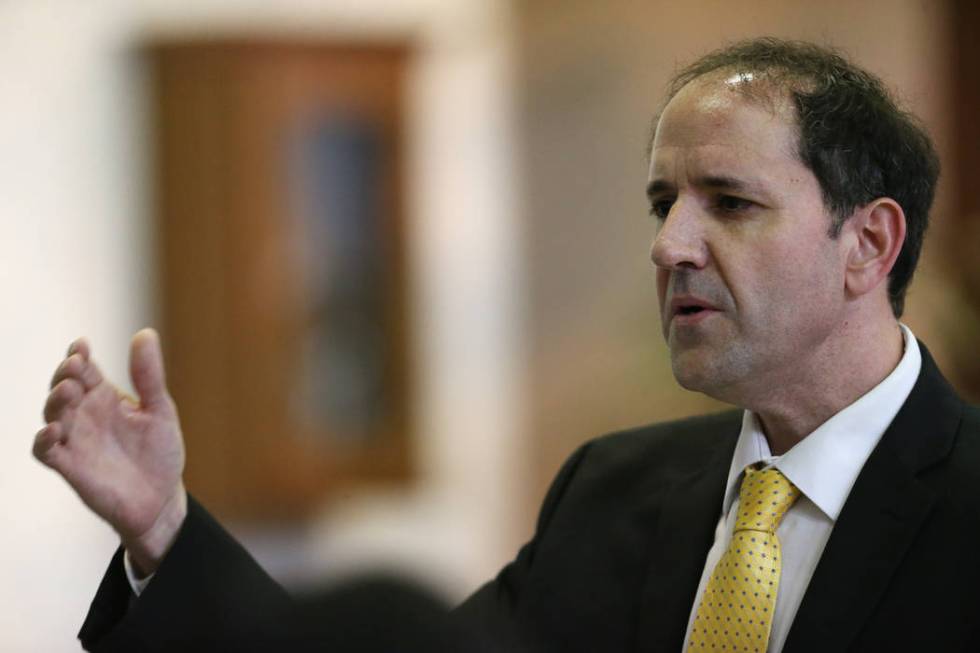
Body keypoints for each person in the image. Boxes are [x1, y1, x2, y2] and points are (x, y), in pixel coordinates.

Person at [35, 37, 979, 652]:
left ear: (869, 244)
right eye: (665, 204)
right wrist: (162, 524)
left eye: (729, 203)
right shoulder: (611, 491)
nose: (669, 245)